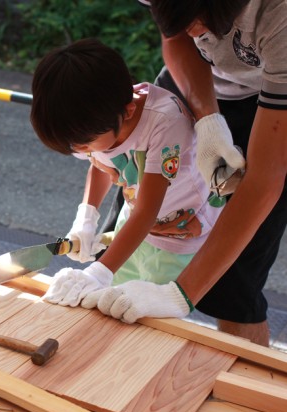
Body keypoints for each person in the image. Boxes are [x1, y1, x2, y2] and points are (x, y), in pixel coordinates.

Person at [80, 0, 287, 347]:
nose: (196, 35)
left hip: (271, 102)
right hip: (189, 81)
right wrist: (208, 118)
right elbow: (175, 34)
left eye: (200, 22)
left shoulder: (279, 15)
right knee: (127, 240)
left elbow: (264, 181)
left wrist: (180, 295)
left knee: (234, 286)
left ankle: (251, 393)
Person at [30, 39, 224, 313]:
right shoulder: (93, 120)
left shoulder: (166, 122)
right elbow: (99, 162)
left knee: (144, 319)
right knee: (107, 303)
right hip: (133, 225)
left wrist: (99, 272)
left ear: (129, 111)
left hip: (177, 234)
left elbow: (147, 210)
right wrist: (86, 218)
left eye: (83, 144)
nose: (79, 151)